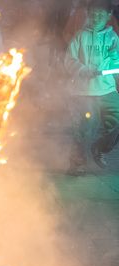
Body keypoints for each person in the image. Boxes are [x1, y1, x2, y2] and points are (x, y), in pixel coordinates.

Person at [65, 0, 119, 175]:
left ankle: (100, 148)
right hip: (83, 92)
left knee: (115, 123)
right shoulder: (80, 36)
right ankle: (77, 164)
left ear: (108, 16)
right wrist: (83, 70)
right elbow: (69, 60)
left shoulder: (112, 38)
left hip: (107, 89)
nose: (96, 17)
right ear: (89, 14)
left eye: (101, 14)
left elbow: (116, 62)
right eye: (94, 13)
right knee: (82, 128)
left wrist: (110, 62)